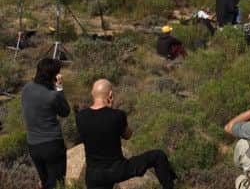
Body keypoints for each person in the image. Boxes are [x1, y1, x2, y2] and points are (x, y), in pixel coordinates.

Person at [76, 79, 176, 189]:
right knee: (158, 156)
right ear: (110, 94)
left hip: (93, 175)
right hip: (117, 169)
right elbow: (128, 135)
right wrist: (112, 110)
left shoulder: (80, 117)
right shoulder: (117, 115)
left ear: (92, 94)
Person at [21, 58, 70, 189]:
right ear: (53, 76)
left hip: (33, 145)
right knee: (57, 184)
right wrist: (59, 87)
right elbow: (65, 112)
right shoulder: (52, 96)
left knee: (45, 183)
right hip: (52, 145)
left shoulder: (26, 89)